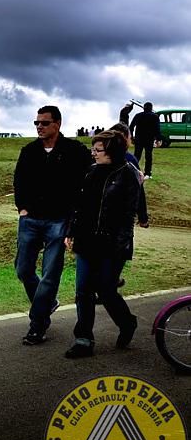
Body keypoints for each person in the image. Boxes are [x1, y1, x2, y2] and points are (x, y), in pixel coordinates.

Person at [13, 105, 91, 346]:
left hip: (59, 220)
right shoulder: (29, 151)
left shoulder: (75, 151)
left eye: (44, 123)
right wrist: (23, 209)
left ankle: (37, 325)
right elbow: (19, 181)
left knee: (50, 275)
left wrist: (74, 216)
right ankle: (48, 302)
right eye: (36, 123)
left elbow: (89, 179)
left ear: (57, 124)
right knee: (23, 270)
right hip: (31, 219)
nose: (39, 127)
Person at [63, 130, 141, 358]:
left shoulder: (128, 175)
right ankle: (83, 339)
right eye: (93, 149)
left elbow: (128, 215)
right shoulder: (90, 172)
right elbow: (80, 207)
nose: (94, 154)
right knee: (83, 291)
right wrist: (71, 231)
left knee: (106, 291)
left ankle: (127, 323)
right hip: (87, 241)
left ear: (113, 151)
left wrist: (120, 246)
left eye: (99, 150)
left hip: (113, 243)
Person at [128, 102, 162, 179]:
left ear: (143, 108)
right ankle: (147, 173)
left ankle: (132, 170)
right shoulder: (155, 116)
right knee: (148, 156)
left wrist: (131, 137)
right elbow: (157, 129)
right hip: (149, 139)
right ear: (151, 108)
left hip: (138, 139)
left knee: (136, 156)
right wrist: (158, 139)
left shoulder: (138, 115)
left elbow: (131, 126)